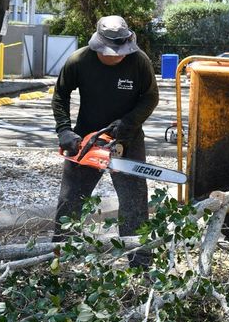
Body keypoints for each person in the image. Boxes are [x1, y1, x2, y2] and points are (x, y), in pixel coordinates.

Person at [51, 15, 159, 267]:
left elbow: (150, 98)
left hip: (127, 138)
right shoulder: (79, 61)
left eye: (122, 50)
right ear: (99, 45)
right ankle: (58, 259)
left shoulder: (138, 62)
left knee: (134, 203)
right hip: (87, 141)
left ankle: (140, 263)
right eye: (113, 51)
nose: (118, 55)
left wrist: (126, 124)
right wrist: (65, 131)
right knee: (70, 201)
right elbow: (60, 95)